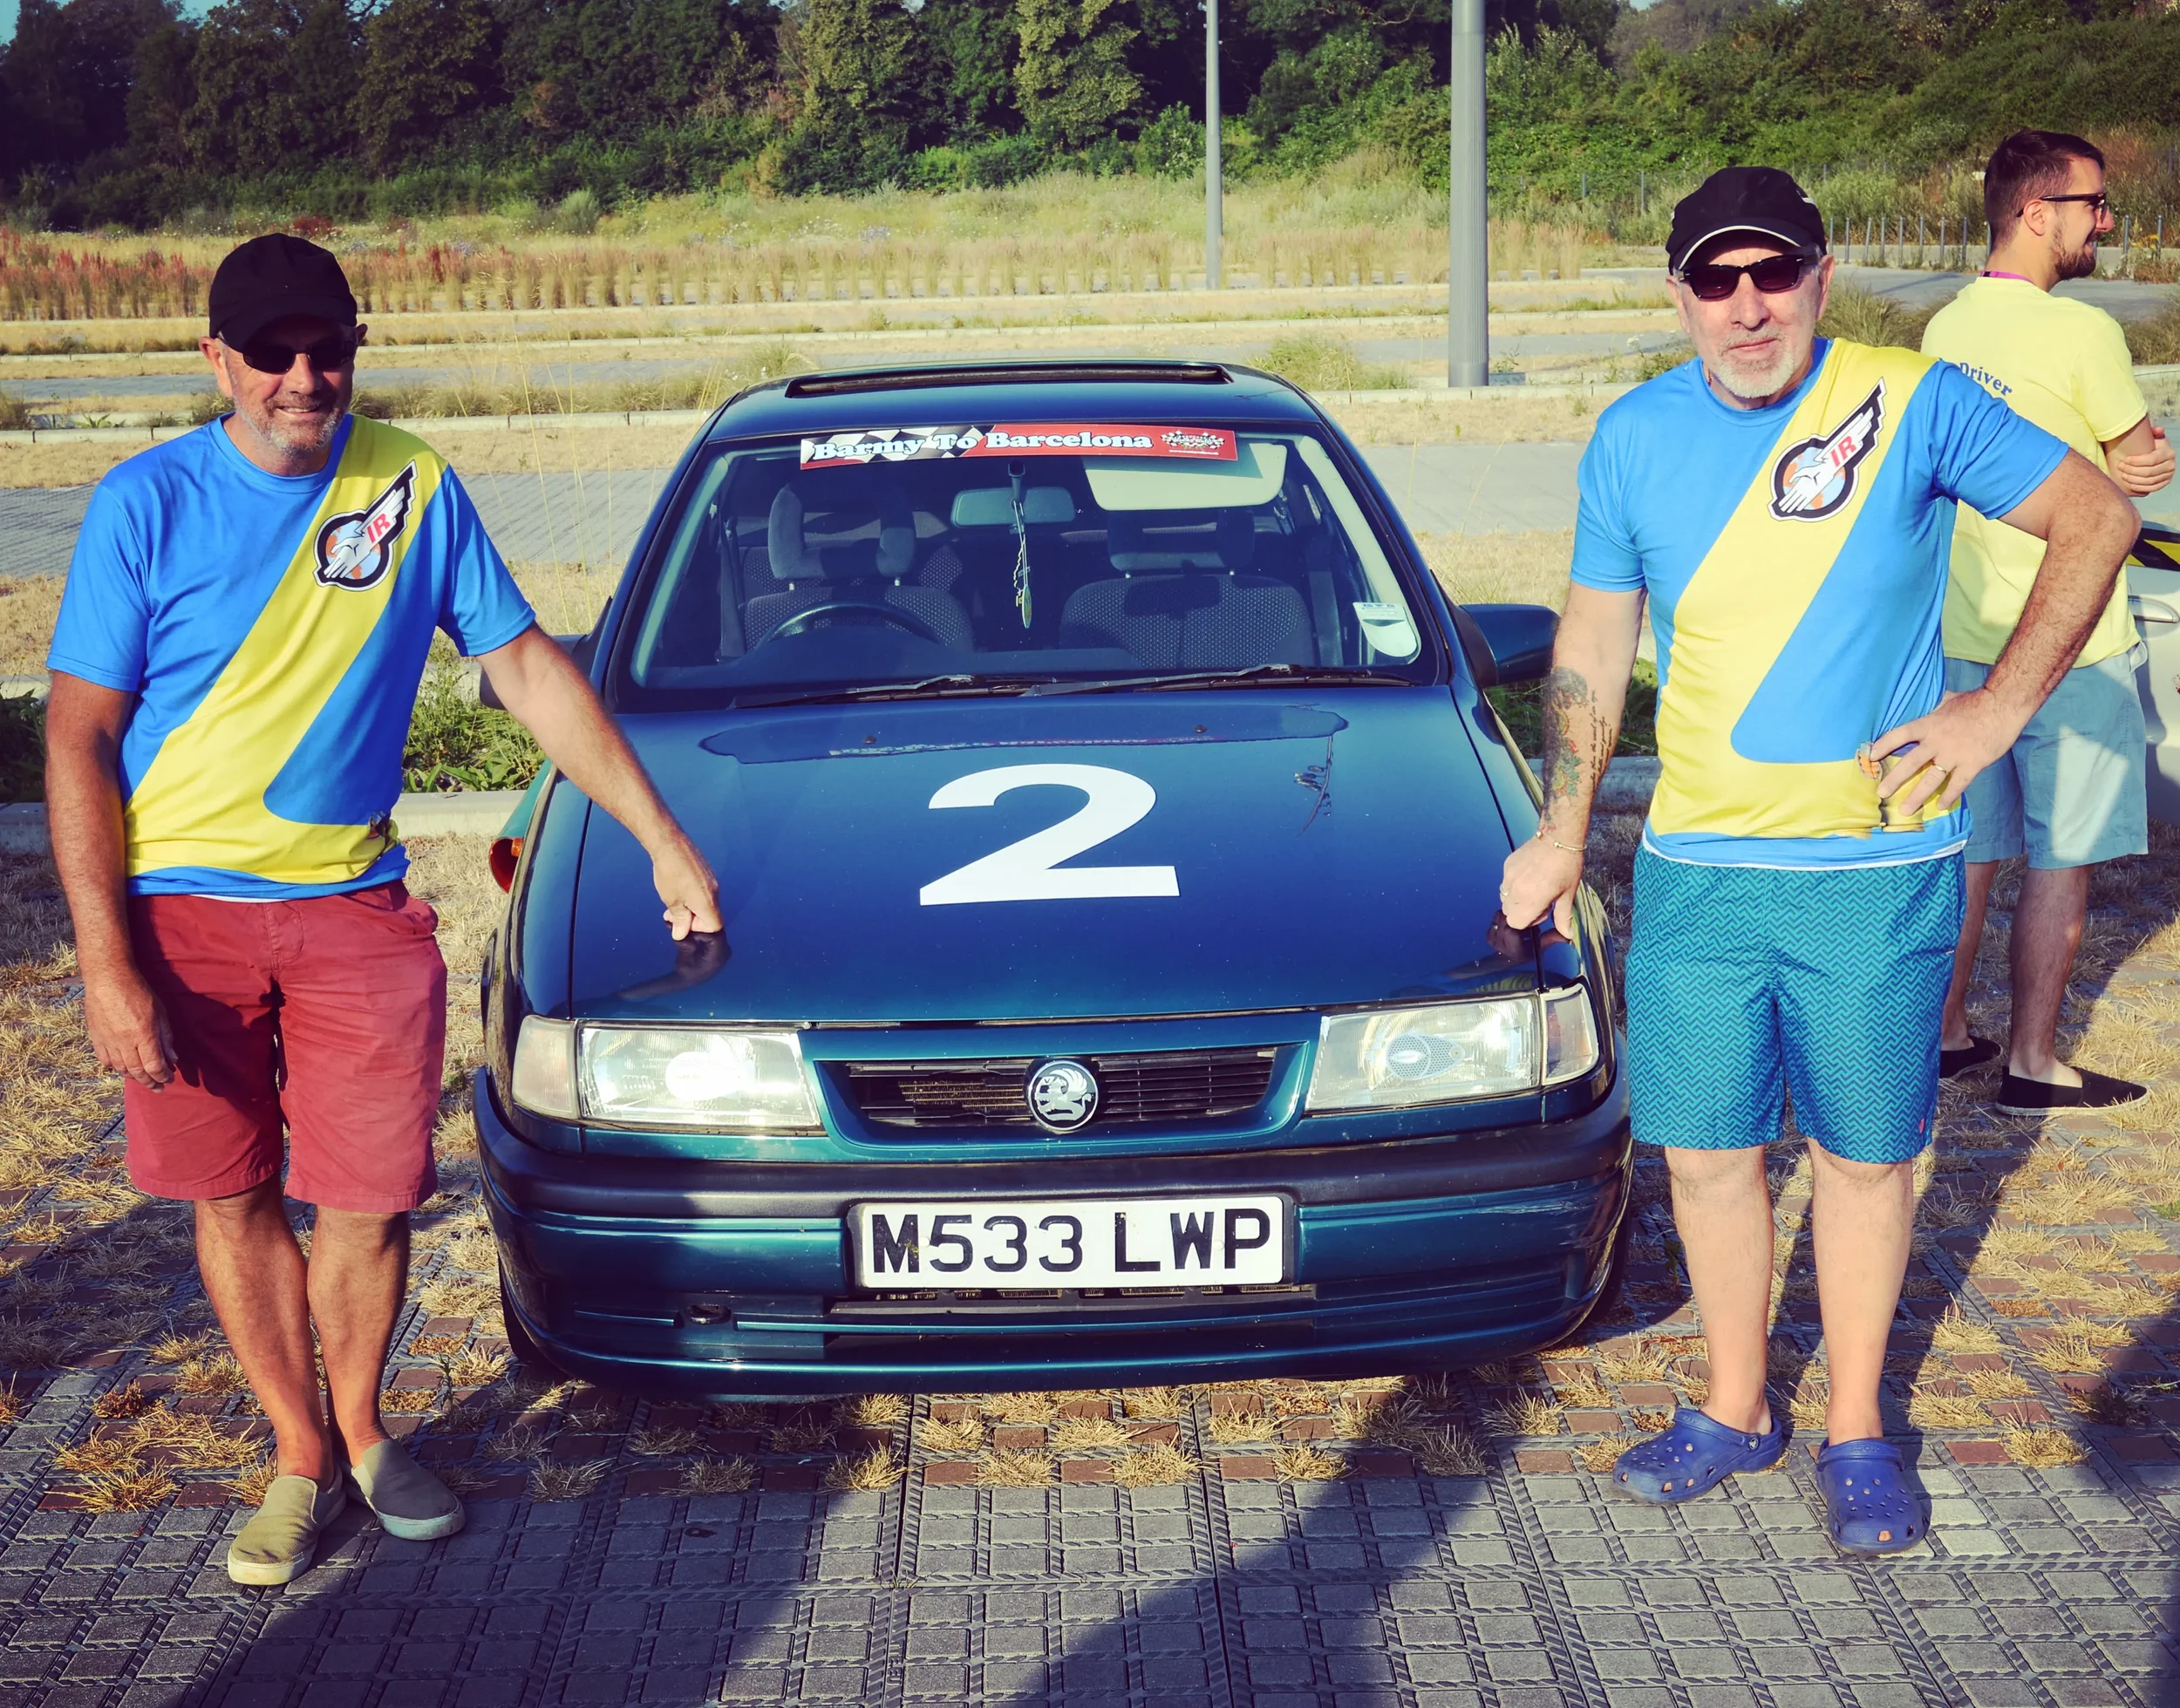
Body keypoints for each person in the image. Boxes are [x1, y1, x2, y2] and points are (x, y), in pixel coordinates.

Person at [43, 234, 721, 1586]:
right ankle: (298, 1454)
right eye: (274, 353)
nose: (306, 377)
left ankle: (363, 1434)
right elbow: (75, 739)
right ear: (217, 359)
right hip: (181, 918)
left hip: (353, 904)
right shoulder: (143, 505)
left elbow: (525, 665)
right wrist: (108, 960)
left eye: (329, 350)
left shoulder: (410, 482)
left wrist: (661, 837)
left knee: (365, 1198)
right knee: (231, 1192)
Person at [1498, 167, 2136, 1554]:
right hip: (1697, 873)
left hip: (1875, 869)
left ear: (1820, 276)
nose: (1747, 306)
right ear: (1678, 296)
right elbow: (1598, 642)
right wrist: (1561, 830)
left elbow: (2099, 516)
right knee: (1712, 1156)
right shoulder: (1631, 436)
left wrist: (2002, 704)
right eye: (1715, 280)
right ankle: (1736, 1406)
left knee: (1863, 1160)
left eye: (1772, 274)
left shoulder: (1915, 397)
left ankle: (1856, 1428)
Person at [1923, 129, 2174, 1113]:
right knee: (2059, 858)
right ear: (2037, 214)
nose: (2105, 222)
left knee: (1971, 857)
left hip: (1963, 641)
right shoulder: (2082, 334)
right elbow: (2139, 457)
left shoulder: (1943, 330)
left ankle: (1942, 1036)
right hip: (2070, 642)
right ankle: (2031, 1060)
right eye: (2093, 205)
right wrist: (2132, 469)